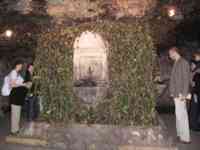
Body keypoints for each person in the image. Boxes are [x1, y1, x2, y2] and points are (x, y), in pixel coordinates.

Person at [169, 47, 191, 144]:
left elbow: (186, 79)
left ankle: (185, 138)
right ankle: (180, 135)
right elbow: (174, 78)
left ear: (175, 52)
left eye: (170, 54)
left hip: (181, 94)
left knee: (182, 116)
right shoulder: (176, 62)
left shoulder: (183, 62)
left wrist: (184, 94)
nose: (169, 56)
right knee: (178, 115)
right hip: (176, 94)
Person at [9, 60, 31, 134]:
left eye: (21, 66)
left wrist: (24, 84)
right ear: (16, 65)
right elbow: (12, 85)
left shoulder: (17, 73)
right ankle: (13, 131)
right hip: (15, 97)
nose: (21, 67)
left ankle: (16, 129)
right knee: (15, 114)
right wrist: (23, 85)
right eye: (20, 65)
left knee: (17, 114)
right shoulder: (13, 72)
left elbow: (18, 83)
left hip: (17, 97)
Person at [190, 51, 200, 131]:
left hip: (196, 91)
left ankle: (194, 124)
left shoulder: (197, 66)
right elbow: (192, 81)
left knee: (195, 108)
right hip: (195, 92)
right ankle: (193, 125)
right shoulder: (195, 66)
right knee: (194, 108)